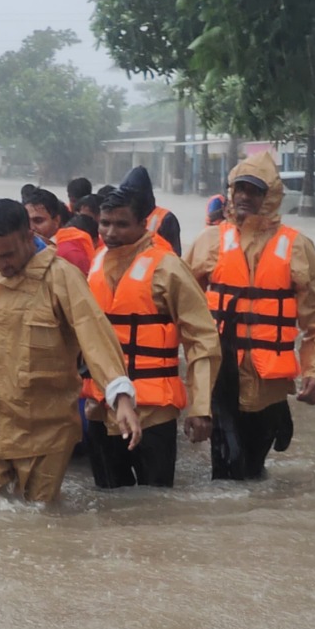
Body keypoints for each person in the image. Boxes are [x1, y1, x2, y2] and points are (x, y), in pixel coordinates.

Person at [0, 199, 143, 504]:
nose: (1, 264)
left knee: (36, 523)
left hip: (43, 431)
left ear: (29, 235)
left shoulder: (62, 277)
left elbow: (95, 335)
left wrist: (121, 398)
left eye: (8, 254)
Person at [185, 152, 315, 481]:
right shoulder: (209, 241)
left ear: (269, 196)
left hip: (268, 384)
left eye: (253, 190)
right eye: (239, 188)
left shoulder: (296, 247)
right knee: (226, 471)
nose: (243, 195)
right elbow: (180, 304)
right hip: (220, 377)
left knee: (253, 471)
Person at [81, 186, 221, 488]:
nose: (110, 232)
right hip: (100, 406)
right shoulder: (96, 261)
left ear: (143, 224)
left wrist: (201, 408)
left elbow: (202, 339)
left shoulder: (168, 267)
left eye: (121, 224)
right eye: (105, 223)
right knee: (108, 502)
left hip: (154, 410)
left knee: (155, 504)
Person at [25, 187, 96, 274]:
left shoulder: (69, 253)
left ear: (56, 221)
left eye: (38, 221)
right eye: (26, 221)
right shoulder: (25, 252)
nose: (31, 227)